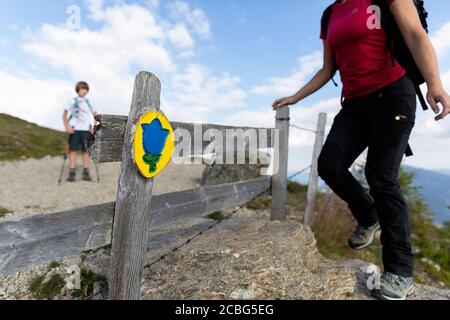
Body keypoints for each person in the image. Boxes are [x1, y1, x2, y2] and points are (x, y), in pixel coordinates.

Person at [272, 0, 450, 300]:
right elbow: (328, 68)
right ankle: (368, 215)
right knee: (329, 165)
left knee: (381, 177)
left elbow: (416, 35)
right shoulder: (330, 14)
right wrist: (295, 97)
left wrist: (435, 83)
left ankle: (400, 271)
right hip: (354, 104)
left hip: (393, 94)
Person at [63, 81, 97, 182]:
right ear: (78, 89)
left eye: (85, 89)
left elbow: (95, 115)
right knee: (73, 150)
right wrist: (67, 127)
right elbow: (64, 114)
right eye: (82, 88)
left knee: (86, 151)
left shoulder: (89, 102)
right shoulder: (72, 101)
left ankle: (86, 172)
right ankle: (72, 171)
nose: (84, 91)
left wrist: (94, 126)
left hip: (86, 129)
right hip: (74, 129)